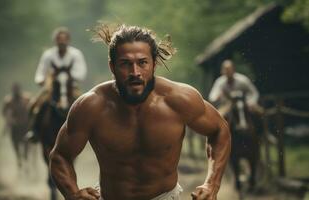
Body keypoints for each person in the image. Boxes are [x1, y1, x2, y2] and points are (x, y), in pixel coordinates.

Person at [49, 24, 231, 200]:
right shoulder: (91, 106)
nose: (134, 72)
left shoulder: (180, 99)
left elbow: (220, 131)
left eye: (142, 62)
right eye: (125, 63)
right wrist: (72, 193)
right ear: (112, 67)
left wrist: (211, 184)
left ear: (153, 65)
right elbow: (60, 156)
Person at [29, 27, 87, 139]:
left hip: (71, 86)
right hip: (51, 87)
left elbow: (81, 72)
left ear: (68, 40)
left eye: (64, 39)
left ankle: (86, 133)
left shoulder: (76, 54)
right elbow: (41, 71)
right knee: (35, 104)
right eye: (59, 39)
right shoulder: (48, 55)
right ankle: (34, 131)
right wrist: (41, 80)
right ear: (55, 40)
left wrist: (68, 77)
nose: (62, 42)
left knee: (85, 107)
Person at [2, 83, 31, 168]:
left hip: (25, 125)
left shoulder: (26, 99)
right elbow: (4, 112)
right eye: (15, 90)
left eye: (17, 89)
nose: (16, 91)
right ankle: (19, 160)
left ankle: (25, 160)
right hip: (15, 126)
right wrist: (10, 120)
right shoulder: (9, 101)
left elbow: (31, 111)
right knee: (15, 144)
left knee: (27, 143)